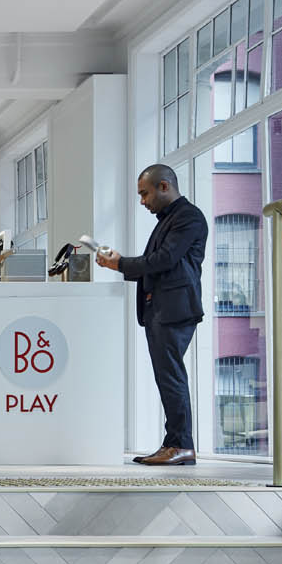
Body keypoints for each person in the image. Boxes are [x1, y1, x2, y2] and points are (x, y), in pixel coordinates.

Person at [96, 163, 209, 466]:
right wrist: (118, 264)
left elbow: (163, 259)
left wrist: (120, 264)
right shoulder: (169, 219)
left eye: (144, 193)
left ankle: (181, 445)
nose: (142, 201)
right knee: (167, 377)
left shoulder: (188, 217)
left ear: (163, 186)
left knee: (171, 377)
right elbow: (158, 262)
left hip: (174, 310)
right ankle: (174, 442)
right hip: (163, 309)